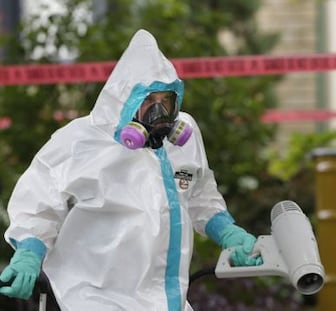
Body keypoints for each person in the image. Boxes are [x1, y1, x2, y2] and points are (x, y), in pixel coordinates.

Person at [0, 29, 262, 311]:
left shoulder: (184, 139)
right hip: (90, 298)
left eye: (166, 102)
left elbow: (199, 194)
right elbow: (38, 203)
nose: (160, 113)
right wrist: (29, 253)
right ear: (124, 101)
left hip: (165, 299)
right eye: (149, 102)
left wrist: (228, 233)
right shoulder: (78, 143)